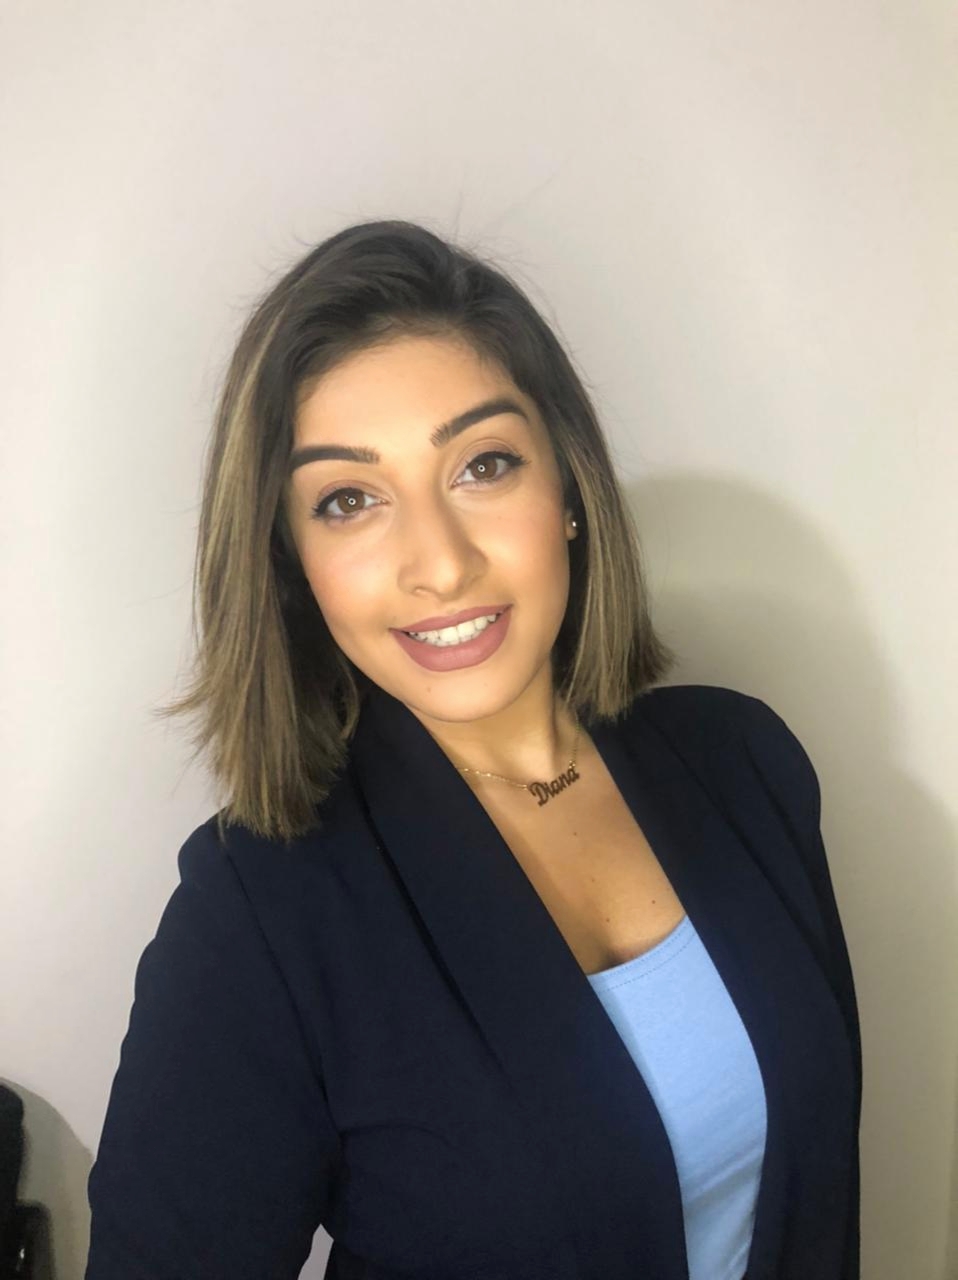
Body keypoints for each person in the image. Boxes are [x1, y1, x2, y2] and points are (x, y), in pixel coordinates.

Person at [84, 221, 862, 1280]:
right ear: (292, 562)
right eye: (349, 500)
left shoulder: (744, 765)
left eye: (483, 465)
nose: (441, 565)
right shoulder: (261, 910)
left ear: (570, 491)